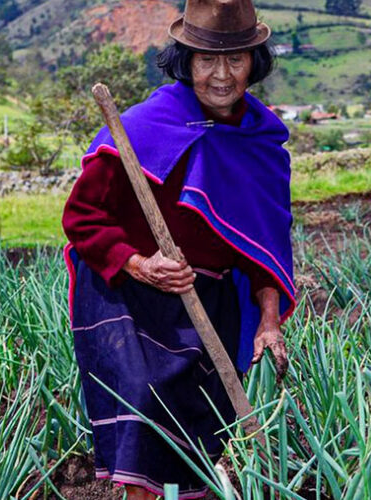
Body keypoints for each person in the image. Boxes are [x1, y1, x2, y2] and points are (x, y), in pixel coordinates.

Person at [61, 0, 297, 497]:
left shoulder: (261, 141)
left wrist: (269, 323)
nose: (221, 74)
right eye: (207, 59)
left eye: (235, 59)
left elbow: (267, 248)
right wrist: (141, 265)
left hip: (209, 303)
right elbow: (81, 217)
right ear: (185, 60)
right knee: (145, 410)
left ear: (255, 62)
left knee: (202, 432)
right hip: (127, 294)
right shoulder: (144, 127)